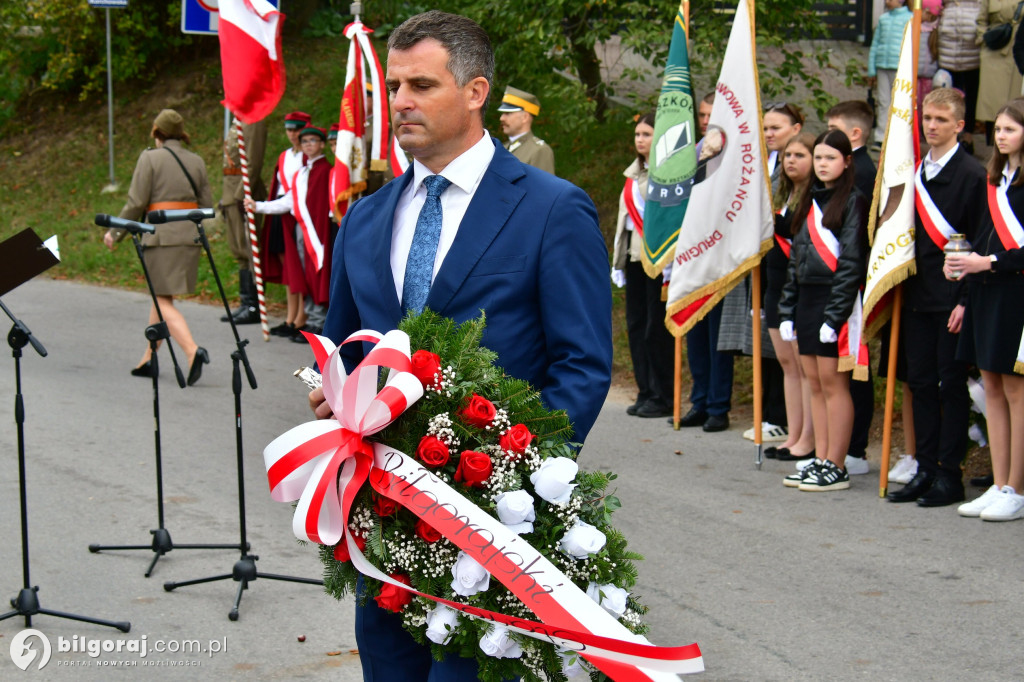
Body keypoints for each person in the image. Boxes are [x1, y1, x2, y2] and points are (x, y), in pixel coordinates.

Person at [309, 10, 612, 679]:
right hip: (383, 523)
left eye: (421, 85)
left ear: (476, 92)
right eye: (393, 86)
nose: (400, 102)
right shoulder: (365, 215)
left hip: (496, 526)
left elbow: (583, 365)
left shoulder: (551, 208)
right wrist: (329, 392)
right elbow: (341, 345)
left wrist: (523, 482)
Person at [887, 87, 986, 507]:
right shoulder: (913, 169)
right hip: (916, 294)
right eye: (927, 118)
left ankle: (950, 473)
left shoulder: (972, 174)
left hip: (951, 299)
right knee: (921, 384)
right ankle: (925, 467)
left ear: (959, 125)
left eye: (941, 120)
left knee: (950, 387)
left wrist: (965, 299)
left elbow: (980, 239)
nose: (931, 126)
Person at [778, 129, 869, 492]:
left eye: (831, 158)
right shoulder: (809, 201)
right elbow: (796, 261)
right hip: (807, 301)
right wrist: (786, 310)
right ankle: (819, 456)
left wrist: (835, 317)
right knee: (814, 382)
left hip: (836, 301)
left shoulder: (853, 201)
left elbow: (850, 263)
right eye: (818, 158)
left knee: (833, 384)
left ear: (846, 162)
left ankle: (836, 463)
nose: (823, 164)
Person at [947, 99, 1024, 521]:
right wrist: (963, 262)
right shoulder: (995, 179)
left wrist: (987, 262)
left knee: (1016, 389)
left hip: (1017, 293)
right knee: (991, 385)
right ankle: (999, 482)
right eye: (997, 129)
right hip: (987, 291)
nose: (1001, 136)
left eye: (1010, 129)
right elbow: (982, 235)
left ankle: (1017, 486)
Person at [102, 109, 213, 386]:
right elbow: (206, 203)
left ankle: (191, 351)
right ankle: (149, 358)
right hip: (189, 236)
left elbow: (137, 201)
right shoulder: (196, 161)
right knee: (161, 296)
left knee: (162, 300)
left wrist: (115, 232)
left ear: (157, 132)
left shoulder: (149, 158)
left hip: (160, 237)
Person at [719, 101, 806, 440]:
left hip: (788, 265)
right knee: (766, 340)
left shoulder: (795, 169)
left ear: (796, 129)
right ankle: (769, 414)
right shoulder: (761, 162)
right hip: (765, 263)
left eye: (777, 128)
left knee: (782, 346)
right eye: (765, 128)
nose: (769, 134)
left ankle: (779, 415)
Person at [825, 100, 884, 476]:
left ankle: (854, 447)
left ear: (856, 133)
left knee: (853, 370)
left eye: (835, 126)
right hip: (834, 284)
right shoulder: (846, 168)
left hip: (851, 283)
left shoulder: (861, 172)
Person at [677, 92, 736, 432]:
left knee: (718, 336)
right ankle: (699, 400)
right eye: (702, 114)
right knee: (694, 330)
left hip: (721, 253)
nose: (704, 120)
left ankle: (718, 404)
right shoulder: (694, 152)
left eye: (711, 115)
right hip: (693, 251)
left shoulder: (735, 156)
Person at [612, 112, 675, 418]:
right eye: (637, 134)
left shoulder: (668, 175)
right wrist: (618, 260)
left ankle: (663, 394)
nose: (640, 139)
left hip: (658, 258)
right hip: (634, 258)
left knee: (655, 328)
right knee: (636, 326)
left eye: (647, 134)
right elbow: (624, 221)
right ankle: (645, 390)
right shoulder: (633, 173)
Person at [246, 125, 333, 338]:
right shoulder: (302, 173)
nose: (309, 145)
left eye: (313, 141)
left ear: (322, 144)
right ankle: (312, 319)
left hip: (319, 231)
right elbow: (288, 201)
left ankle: (318, 320)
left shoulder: (326, 170)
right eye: (305, 142)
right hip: (302, 229)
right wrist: (258, 206)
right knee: (306, 273)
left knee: (318, 272)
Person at [764, 132, 817, 462]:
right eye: (787, 156)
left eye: (800, 155)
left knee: (804, 366)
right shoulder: (781, 194)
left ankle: (808, 438)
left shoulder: (815, 199)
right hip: (774, 288)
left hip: (798, 291)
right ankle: (793, 433)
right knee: (788, 365)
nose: (791, 161)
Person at [262, 110, 311, 338]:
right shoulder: (284, 156)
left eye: (297, 129)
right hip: (278, 213)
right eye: (289, 129)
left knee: (298, 267)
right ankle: (290, 316)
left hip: (295, 214)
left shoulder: (306, 157)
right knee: (287, 268)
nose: (292, 134)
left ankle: (302, 316)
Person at [220, 117, 268, 325]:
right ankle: (244, 301)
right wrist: (226, 197)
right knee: (239, 249)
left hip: (244, 192)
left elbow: (254, 160)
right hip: (231, 191)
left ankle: (253, 305)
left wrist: (241, 194)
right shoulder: (238, 120)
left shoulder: (254, 120)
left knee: (249, 250)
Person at [936, 0, 982, 153]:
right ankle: (948, 136)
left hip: (972, 57)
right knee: (948, 98)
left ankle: (967, 135)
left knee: (970, 97)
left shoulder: (978, 4)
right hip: (947, 56)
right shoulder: (947, 4)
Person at [977, 0, 1024, 144]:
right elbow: (981, 20)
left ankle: (1012, 145)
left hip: (1018, 51)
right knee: (991, 104)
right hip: (994, 50)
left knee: (1013, 104)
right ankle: (992, 145)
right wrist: (985, 38)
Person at [868, 0, 913, 149]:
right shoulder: (883, 19)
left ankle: (898, 137)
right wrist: (871, 68)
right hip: (882, 64)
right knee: (883, 101)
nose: (887, 1)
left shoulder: (910, 18)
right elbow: (875, 43)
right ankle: (881, 136)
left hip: (899, 66)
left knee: (900, 101)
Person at [497, 85, 555, 174]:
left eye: (507, 113)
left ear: (525, 117)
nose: (502, 118)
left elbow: (542, 187)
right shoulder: (502, 148)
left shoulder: (539, 151)